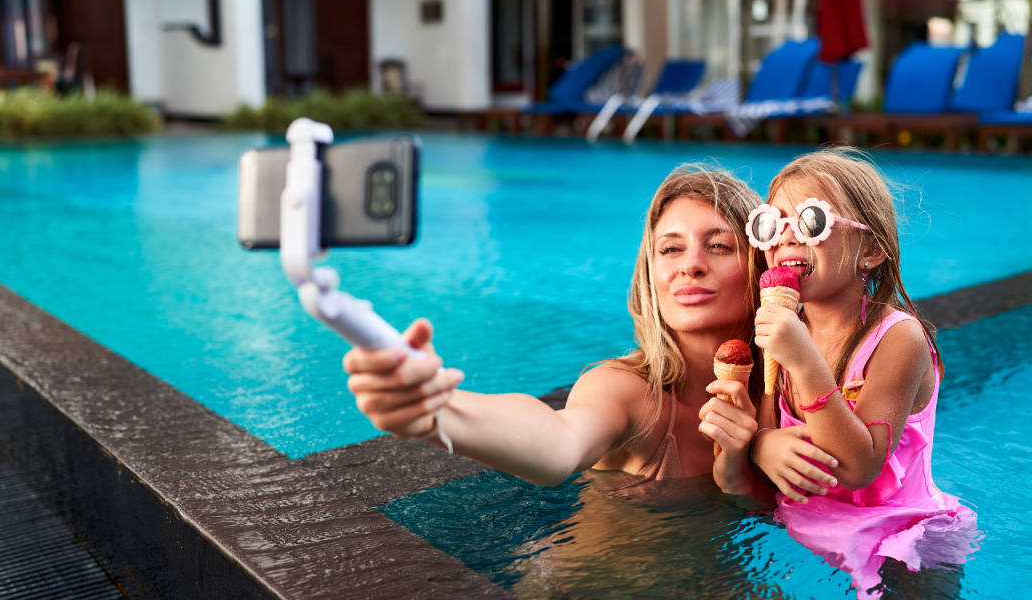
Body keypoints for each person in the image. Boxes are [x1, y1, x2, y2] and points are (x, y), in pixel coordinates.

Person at [342, 164, 840, 506]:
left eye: (718, 245)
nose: (690, 265)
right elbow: (558, 441)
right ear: (651, 273)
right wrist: (441, 410)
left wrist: (739, 463)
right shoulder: (626, 391)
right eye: (669, 250)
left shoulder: (795, 393)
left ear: (760, 263)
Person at [746, 148, 978, 598]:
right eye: (771, 225)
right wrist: (761, 445)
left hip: (901, 540)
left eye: (812, 222)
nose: (786, 239)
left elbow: (858, 467)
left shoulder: (899, 340)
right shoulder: (784, 328)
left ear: (870, 249)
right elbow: (765, 425)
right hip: (809, 530)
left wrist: (806, 364)